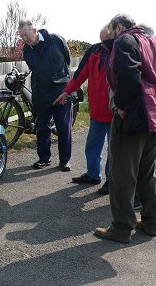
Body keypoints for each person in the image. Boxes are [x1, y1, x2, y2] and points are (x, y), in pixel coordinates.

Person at [94, 14, 156, 243]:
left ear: (119, 27)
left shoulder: (125, 41)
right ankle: (151, 221)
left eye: (111, 33)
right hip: (154, 114)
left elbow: (129, 76)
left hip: (132, 115)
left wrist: (121, 105)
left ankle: (122, 228)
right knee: (145, 171)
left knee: (121, 174)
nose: (110, 40)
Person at [54, 25, 113, 194]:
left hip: (114, 112)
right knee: (92, 146)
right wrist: (66, 92)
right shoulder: (95, 50)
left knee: (113, 151)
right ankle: (93, 175)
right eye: (101, 40)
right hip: (97, 111)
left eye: (106, 41)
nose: (103, 44)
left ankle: (111, 181)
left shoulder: (121, 52)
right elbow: (80, 74)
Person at [17, 20, 72, 171]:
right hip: (41, 91)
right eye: (21, 36)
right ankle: (43, 158)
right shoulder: (27, 50)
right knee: (42, 127)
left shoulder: (56, 40)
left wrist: (64, 82)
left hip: (61, 89)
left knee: (63, 127)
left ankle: (65, 160)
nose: (24, 39)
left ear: (34, 30)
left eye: (26, 35)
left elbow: (67, 59)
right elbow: (37, 68)